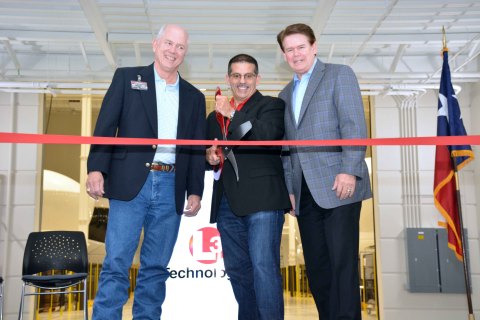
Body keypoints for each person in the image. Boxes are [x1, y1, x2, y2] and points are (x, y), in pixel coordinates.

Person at [86, 24, 206, 320]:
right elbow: (105, 127)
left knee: (155, 268)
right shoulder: (127, 78)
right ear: (155, 45)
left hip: (170, 187)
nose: (173, 51)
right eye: (168, 43)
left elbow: (193, 147)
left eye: (180, 47)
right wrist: (96, 168)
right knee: (116, 262)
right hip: (129, 183)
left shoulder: (194, 96)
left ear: (185, 53)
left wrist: (196, 190)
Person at [276, 23, 372, 320]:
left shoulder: (339, 74)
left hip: (338, 184)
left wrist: (349, 170)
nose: (296, 54)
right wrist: (289, 190)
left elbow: (353, 125)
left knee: (342, 264)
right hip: (304, 194)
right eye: (289, 49)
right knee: (317, 268)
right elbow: (287, 148)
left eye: (300, 47)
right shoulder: (284, 93)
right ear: (283, 55)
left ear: (314, 47)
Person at [206, 53, 291, 320]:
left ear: (257, 78)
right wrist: (210, 157)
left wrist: (233, 113)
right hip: (226, 203)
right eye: (236, 75)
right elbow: (211, 154)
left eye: (248, 76)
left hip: (263, 200)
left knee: (264, 268)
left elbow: (267, 136)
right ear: (228, 78)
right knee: (238, 271)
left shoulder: (272, 106)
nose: (242, 81)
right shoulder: (213, 118)